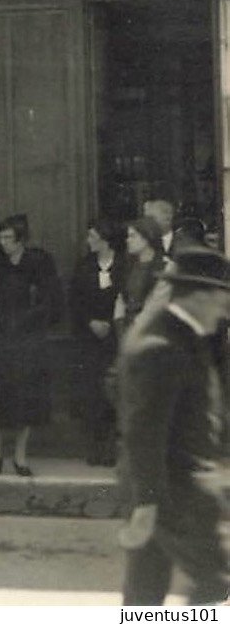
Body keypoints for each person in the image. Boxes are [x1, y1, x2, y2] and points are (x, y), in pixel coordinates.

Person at [117, 241, 230, 606]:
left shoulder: (185, 336)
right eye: (220, 296)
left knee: (145, 591)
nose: (225, 307)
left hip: (164, 486)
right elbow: (143, 431)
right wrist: (147, 503)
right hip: (170, 490)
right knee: (216, 582)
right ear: (198, 295)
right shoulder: (162, 347)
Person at [0, 213, 62, 478]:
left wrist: (27, 319)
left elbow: (49, 299)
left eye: (8, 238)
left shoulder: (39, 261)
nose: (3, 243)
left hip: (28, 338)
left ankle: (20, 457)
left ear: (21, 240)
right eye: (0, 237)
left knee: (26, 398)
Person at [68, 218, 125, 467]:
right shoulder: (84, 266)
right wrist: (90, 322)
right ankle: (94, 448)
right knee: (92, 393)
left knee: (113, 393)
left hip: (115, 338)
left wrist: (111, 325)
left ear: (105, 239)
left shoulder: (124, 266)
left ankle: (112, 448)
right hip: (90, 338)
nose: (88, 241)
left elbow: (127, 299)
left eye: (92, 237)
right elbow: (75, 300)